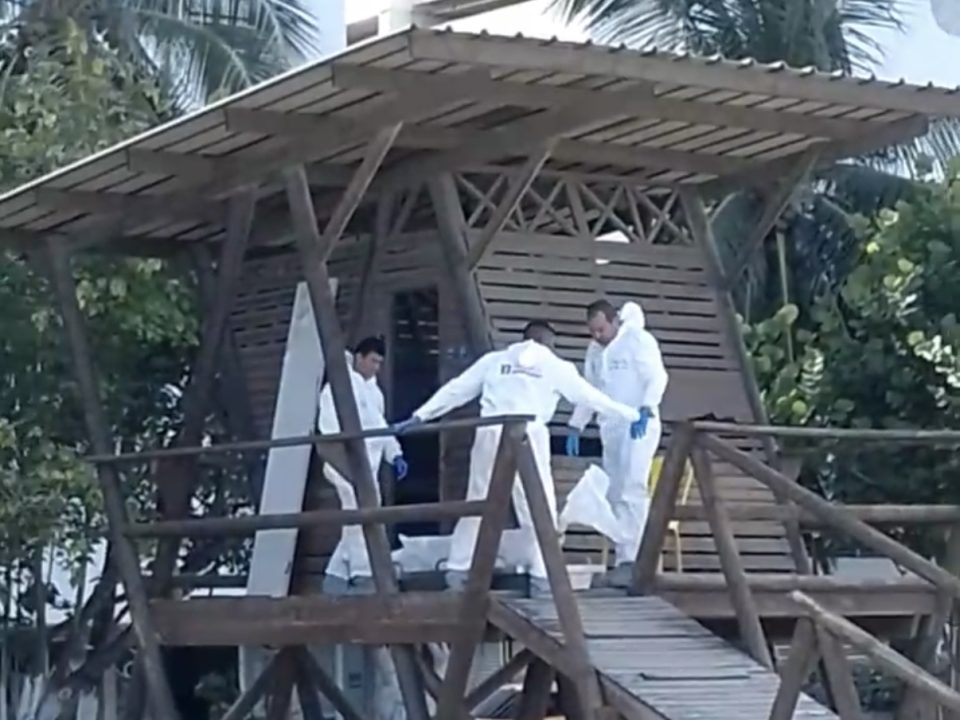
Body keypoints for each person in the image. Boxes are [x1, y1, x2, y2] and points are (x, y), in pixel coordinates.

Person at [391, 320, 645, 597]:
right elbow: (592, 397)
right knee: (538, 506)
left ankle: (459, 570)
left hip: (490, 429)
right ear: (549, 342)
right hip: (528, 433)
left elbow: (457, 389)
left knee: (477, 501)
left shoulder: (495, 360)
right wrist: (632, 414)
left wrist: (420, 416)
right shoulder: (554, 365)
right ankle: (541, 575)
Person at [566, 299, 668, 583]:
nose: (597, 335)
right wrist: (576, 423)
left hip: (639, 423)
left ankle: (636, 560)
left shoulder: (638, 340)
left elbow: (657, 377)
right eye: (592, 331)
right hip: (610, 427)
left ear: (615, 322)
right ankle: (624, 557)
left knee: (633, 487)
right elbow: (590, 390)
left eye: (601, 329)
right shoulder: (595, 351)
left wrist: (646, 407)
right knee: (615, 491)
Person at [318, 336, 407, 594]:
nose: (376, 368)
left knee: (356, 519)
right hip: (344, 463)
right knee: (361, 514)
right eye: (372, 361)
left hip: (369, 466)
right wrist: (346, 459)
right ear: (358, 358)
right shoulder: (336, 389)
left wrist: (394, 453)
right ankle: (362, 574)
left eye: (379, 363)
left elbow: (380, 426)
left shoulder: (375, 393)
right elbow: (329, 428)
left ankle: (335, 577)